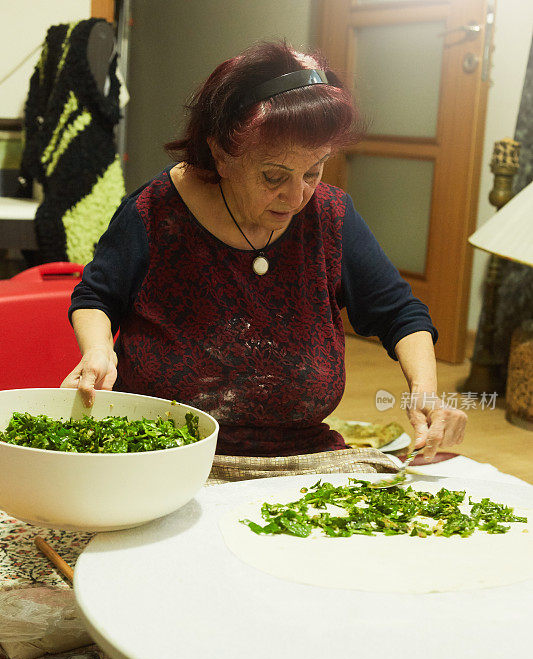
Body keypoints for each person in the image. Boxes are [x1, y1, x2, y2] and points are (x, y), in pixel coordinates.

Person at [62, 40, 466, 461]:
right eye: (274, 176)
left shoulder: (330, 215)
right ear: (221, 152)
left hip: (299, 453)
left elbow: (399, 312)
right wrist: (98, 349)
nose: (296, 197)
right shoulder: (156, 211)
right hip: (162, 449)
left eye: (313, 171)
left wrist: (425, 391)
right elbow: (96, 296)